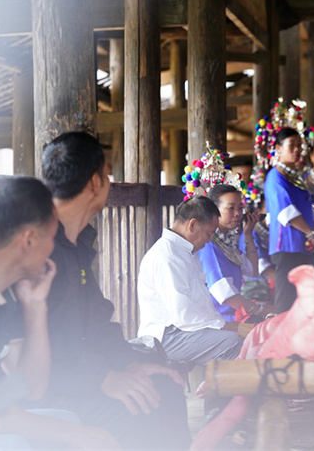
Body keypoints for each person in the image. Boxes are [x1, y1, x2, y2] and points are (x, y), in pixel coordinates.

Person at [40, 131, 190, 449]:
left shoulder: (76, 242)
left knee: (162, 383)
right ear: (96, 183)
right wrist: (103, 378)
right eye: (107, 175)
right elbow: (44, 341)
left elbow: (98, 323)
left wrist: (128, 362)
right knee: (144, 407)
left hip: (81, 370)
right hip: (50, 385)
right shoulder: (37, 247)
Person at [0, 176, 120, 450]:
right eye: (51, 238)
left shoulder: (5, 297)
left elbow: (29, 390)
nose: (54, 249)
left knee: (68, 420)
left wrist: (35, 308)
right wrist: (73, 434)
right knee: (14, 443)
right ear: (28, 241)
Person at [137, 195, 244, 365]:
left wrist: (232, 326)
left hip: (186, 331)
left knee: (243, 336)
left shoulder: (187, 251)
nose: (209, 241)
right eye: (208, 234)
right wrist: (230, 327)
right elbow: (184, 315)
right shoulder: (167, 255)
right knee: (235, 342)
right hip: (166, 337)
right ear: (192, 224)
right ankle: (219, 391)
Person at [264, 126, 314, 313]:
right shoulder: (275, 176)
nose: (297, 149)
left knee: (307, 301)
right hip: (286, 245)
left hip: (304, 246)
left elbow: (309, 208)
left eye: (299, 145)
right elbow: (285, 212)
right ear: (279, 148)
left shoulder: (296, 177)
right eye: (292, 145)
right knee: (286, 302)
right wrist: (311, 232)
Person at [198, 184, 264, 322]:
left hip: (234, 315)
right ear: (214, 210)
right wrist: (259, 311)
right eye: (231, 208)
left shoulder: (227, 241)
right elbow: (225, 294)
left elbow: (253, 271)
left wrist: (248, 235)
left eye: (240, 208)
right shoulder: (208, 244)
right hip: (218, 320)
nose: (238, 213)